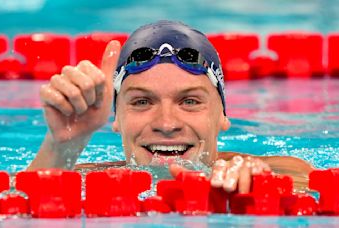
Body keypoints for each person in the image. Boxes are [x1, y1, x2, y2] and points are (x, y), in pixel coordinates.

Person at [28, 20, 313, 193]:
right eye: (142, 102)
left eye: (189, 101)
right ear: (118, 119)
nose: (166, 123)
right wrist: (63, 145)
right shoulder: (87, 179)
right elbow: (9, 198)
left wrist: (266, 187)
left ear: (222, 115)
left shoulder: (280, 170)